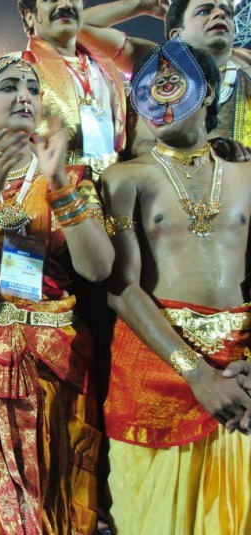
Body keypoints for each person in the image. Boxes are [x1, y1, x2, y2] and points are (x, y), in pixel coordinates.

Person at [0, 54, 113, 534]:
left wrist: (56, 183)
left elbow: (98, 267)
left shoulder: (71, 177)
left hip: (54, 361)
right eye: (9, 87)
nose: (24, 97)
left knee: (55, 486)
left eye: (32, 88)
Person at [101, 41, 251, 533]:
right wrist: (196, 373)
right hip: (155, 364)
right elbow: (121, 289)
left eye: (171, 83)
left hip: (239, 369)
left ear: (207, 91)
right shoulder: (123, 178)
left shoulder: (246, 174)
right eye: (147, 88)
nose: (159, 97)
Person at [81, 0, 251, 159]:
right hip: (148, 186)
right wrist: (145, 5)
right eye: (204, 11)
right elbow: (77, 26)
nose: (219, 14)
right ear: (176, 33)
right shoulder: (152, 63)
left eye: (227, 12)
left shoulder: (246, 69)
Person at [17, 0, 127, 180]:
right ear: (30, 17)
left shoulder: (107, 69)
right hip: (56, 189)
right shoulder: (19, 71)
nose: (65, 4)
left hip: (117, 187)